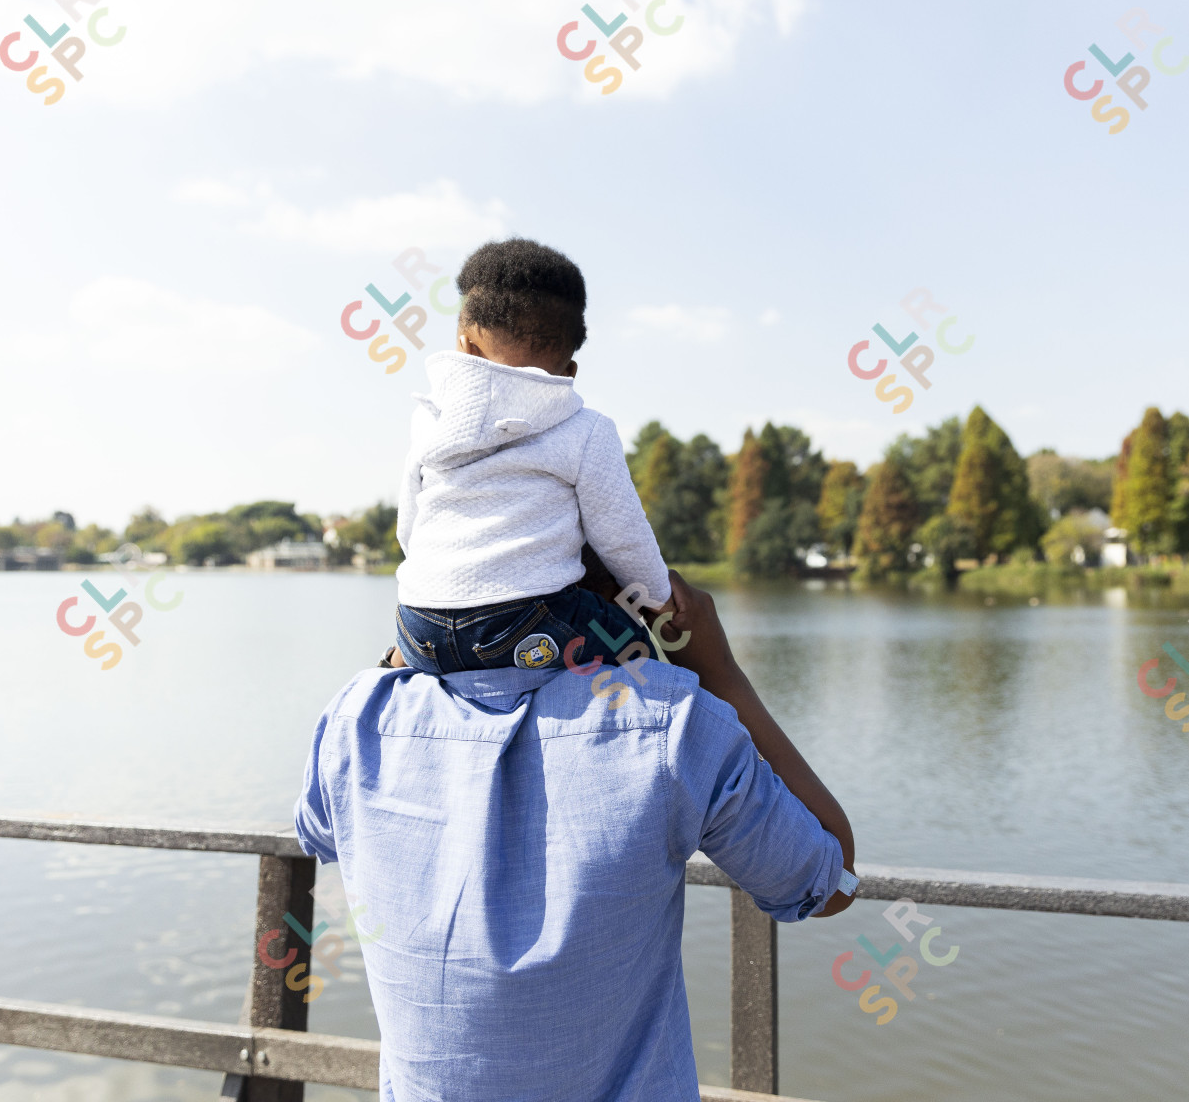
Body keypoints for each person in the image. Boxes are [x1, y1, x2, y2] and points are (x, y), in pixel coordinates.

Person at [293, 571, 856, 1101]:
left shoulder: (358, 720)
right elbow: (831, 882)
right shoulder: (668, 721)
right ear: (618, 589)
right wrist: (717, 668)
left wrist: (414, 645)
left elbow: (320, 831)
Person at [387, 237, 690, 675]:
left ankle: (398, 665)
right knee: (631, 645)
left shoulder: (429, 417)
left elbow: (409, 525)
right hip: (527, 626)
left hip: (419, 625)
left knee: (425, 640)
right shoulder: (586, 429)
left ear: (465, 347)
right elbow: (620, 537)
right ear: (569, 372)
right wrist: (659, 600)